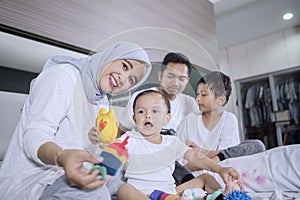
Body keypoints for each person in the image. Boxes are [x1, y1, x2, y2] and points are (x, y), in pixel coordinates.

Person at [0, 42, 152, 200]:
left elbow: (89, 147)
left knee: (125, 187)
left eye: (131, 80)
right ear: (111, 57)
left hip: (81, 171)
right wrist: (62, 156)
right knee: (96, 194)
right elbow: (34, 135)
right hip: (39, 181)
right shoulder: (63, 76)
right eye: (125, 66)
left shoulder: (102, 101)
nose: (123, 79)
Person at [108, 90, 241, 199]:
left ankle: (222, 198)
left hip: (170, 195)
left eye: (155, 111)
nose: (148, 115)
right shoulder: (129, 139)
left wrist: (220, 169)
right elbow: (111, 151)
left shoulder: (171, 142)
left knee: (206, 177)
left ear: (167, 119)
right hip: (142, 194)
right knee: (124, 189)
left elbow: (195, 156)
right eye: (141, 112)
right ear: (134, 118)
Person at [177, 71, 266, 177]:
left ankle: (204, 165)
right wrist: (207, 155)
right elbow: (181, 157)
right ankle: (204, 166)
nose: (198, 99)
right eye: (198, 94)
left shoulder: (229, 119)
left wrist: (200, 152)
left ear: (221, 100)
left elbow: (229, 154)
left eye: (204, 94)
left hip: (221, 169)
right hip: (194, 173)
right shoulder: (190, 119)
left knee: (257, 145)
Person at [117, 52, 198, 136]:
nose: (176, 83)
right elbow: (122, 131)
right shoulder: (140, 97)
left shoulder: (190, 103)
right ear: (160, 76)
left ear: (187, 80)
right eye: (170, 76)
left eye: (182, 78)